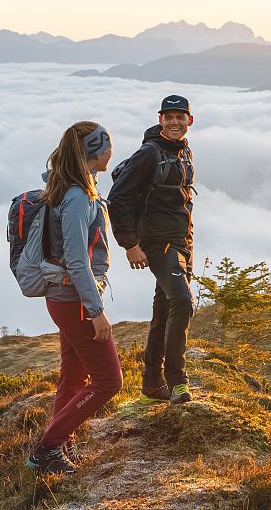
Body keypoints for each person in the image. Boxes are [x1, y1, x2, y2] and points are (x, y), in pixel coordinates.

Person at [26, 121, 120, 475]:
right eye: (108, 145)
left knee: (74, 374)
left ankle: (59, 442)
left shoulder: (68, 186)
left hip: (65, 296)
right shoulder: (79, 197)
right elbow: (78, 259)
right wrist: (96, 311)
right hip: (75, 300)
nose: (112, 151)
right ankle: (48, 447)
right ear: (95, 152)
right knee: (110, 381)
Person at [109, 95, 197, 404]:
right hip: (159, 245)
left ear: (190, 120)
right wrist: (130, 245)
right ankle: (178, 382)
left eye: (180, 116)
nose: (174, 121)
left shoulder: (184, 151)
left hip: (182, 243)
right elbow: (117, 198)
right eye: (168, 116)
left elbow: (182, 199)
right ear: (160, 119)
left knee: (164, 311)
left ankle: (151, 382)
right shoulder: (148, 155)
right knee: (183, 303)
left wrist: (188, 240)